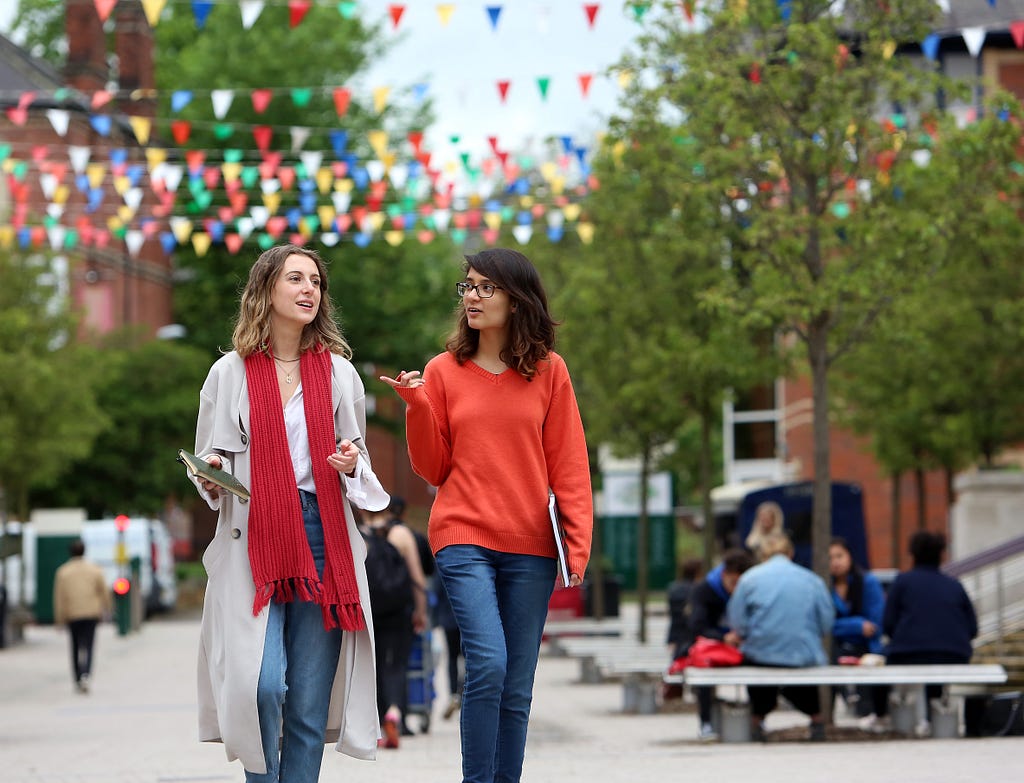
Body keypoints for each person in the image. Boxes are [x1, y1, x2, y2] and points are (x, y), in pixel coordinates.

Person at [380, 247, 593, 783]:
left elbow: (568, 462)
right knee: (489, 665)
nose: (472, 296)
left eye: (485, 287)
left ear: (516, 301)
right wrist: (417, 407)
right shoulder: (442, 371)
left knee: (517, 685)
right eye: (468, 286)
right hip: (463, 534)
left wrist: (577, 541)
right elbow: (433, 466)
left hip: (533, 545)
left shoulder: (549, 372)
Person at [188, 244, 390, 783]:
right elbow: (210, 458)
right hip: (254, 536)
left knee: (305, 701)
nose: (308, 290)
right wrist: (209, 471)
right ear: (266, 291)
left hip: (324, 537)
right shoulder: (228, 373)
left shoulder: (342, 375)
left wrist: (350, 464)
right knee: (261, 683)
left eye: (316, 282)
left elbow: (363, 469)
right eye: (295, 279)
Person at [727, 533, 835, 742]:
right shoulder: (812, 580)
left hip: (761, 653)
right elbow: (827, 621)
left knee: (758, 668)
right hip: (803, 654)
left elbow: (737, 622)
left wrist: (748, 634)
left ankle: (757, 720)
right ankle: (817, 718)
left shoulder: (749, 579)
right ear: (790, 553)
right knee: (802, 677)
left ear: (763, 556)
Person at [878, 530, 978, 737]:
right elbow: (972, 628)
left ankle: (881, 715)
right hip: (954, 653)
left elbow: (888, 623)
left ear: (912, 554)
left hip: (909, 652)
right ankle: (940, 721)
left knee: (880, 670)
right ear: (941, 555)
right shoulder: (954, 585)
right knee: (937, 669)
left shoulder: (903, 582)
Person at [360, 505, 428, 749]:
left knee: (375, 666)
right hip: (400, 611)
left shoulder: (359, 534)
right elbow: (417, 578)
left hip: (372, 610)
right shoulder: (402, 535)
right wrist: (421, 610)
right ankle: (395, 713)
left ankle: (378, 723)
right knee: (397, 664)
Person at [682, 549, 755, 741]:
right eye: (733, 583)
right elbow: (696, 627)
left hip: (741, 645)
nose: (736, 589)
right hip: (709, 645)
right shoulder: (704, 590)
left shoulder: (750, 590)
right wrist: (723, 638)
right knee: (704, 670)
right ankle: (705, 722)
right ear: (724, 575)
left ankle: (757, 718)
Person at [828, 537, 887, 720]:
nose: (835, 562)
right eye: (830, 558)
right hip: (834, 647)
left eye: (839, 556)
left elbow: (876, 625)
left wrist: (841, 626)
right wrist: (856, 625)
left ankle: (865, 707)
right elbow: (824, 625)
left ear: (850, 557)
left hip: (866, 648)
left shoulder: (868, 582)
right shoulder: (823, 587)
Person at [53, 539, 111, 694]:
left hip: (72, 614)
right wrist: (108, 609)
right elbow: (104, 591)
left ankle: (78, 677)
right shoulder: (95, 570)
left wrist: (59, 618)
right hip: (91, 612)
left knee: (75, 646)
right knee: (89, 645)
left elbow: (59, 597)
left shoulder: (63, 572)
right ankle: (86, 674)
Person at [433, 569, 464, 720]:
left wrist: (435, 618)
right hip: (467, 619)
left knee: (452, 657)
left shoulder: (443, 561)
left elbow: (436, 591)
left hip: (448, 618)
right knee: (468, 657)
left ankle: (453, 693)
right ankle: (461, 691)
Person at [665, 557, 703, 659]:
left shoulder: (674, 588)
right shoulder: (698, 589)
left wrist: (671, 638)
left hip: (677, 634)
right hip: (692, 635)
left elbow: (674, 616)